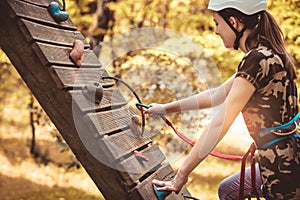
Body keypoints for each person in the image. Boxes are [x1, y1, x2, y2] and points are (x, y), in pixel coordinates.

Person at [145, 0, 300, 199]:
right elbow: (217, 94)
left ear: (234, 22)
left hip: (282, 172)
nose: (216, 31)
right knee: (228, 189)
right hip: (286, 160)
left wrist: (180, 176)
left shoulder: (257, 60)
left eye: (217, 23)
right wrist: (165, 109)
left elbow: (220, 122)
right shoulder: (269, 54)